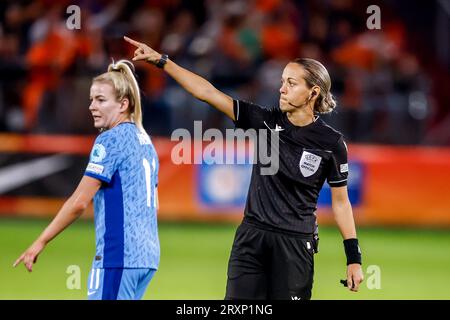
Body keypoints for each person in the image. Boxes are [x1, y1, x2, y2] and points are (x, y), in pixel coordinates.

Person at [124, 36, 363, 300]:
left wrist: (354, 258)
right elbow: (207, 93)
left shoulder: (331, 143)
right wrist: (162, 61)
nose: (282, 89)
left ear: (313, 92)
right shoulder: (265, 122)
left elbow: (341, 204)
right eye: (282, 81)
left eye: (291, 83)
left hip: (295, 244)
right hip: (252, 238)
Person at [13, 60, 160, 300]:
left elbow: (79, 202)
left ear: (123, 104)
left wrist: (40, 241)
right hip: (147, 257)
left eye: (101, 100)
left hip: (118, 257)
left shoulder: (109, 140)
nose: (92, 106)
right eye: (91, 99)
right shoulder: (146, 141)